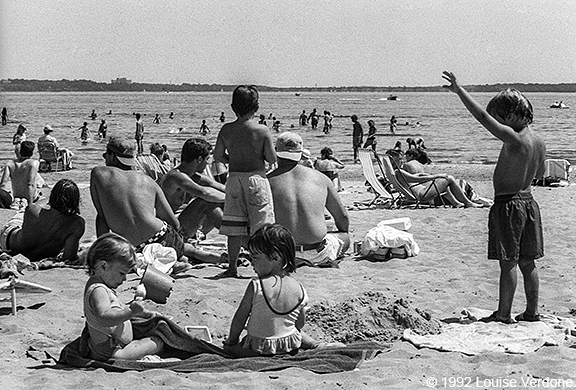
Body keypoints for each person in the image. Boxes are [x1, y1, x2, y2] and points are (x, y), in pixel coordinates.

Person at [442, 71, 545, 323]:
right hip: (530, 203)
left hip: (508, 205)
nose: (498, 125)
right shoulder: (539, 141)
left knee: (507, 262)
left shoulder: (513, 138)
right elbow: (540, 173)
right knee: (528, 262)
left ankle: (503, 314)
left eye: (501, 119)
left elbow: (481, 116)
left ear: (509, 116)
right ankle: (532, 312)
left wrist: (459, 91)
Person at [90, 137, 221, 274]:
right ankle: (195, 257)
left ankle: (176, 261)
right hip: (161, 235)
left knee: (140, 255)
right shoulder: (148, 181)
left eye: (106, 156)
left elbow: (102, 216)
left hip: (131, 245)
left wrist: (102, 250)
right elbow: (173, 222)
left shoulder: (98, 173)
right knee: (182, 249)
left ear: (111, 156)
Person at [223, 224, 319, 357]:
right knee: (295, 332)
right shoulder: (299, 288)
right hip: (289, 346)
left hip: (260, 348)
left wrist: (231, 342)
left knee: (235, 348)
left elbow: (240, 318)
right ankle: (314, 345)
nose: (251, 263)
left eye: (255, 258)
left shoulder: (256, 285)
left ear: (275, 256)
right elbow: (300, 323)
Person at [214, 85, 276, 278]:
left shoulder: (227, 129)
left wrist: (231, 159)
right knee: (261, 225)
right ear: (256, 108)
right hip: (256, 178)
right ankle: (264, 266)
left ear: (233, 107)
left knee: (234, 228)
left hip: (233, 179)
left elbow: (217, 155)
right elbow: (272, 158)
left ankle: (232, 267)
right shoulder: (261, 130)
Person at [268, 132, 350, 267]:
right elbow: (342, 217)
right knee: (344, 237)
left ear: (276, 152)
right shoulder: (321, 178)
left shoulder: (266, 180)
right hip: (316, 252)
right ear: (301, 153)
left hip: (279, 253)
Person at [83, 233, 163, 361]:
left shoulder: (101, 284)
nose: (125, 279)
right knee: (157, 342)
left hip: (116, 345)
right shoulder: (98, 290)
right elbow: (103, 318)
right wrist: (131, 312)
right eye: (121, 273)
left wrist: (143, 314)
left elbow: (115, 308)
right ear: (103, 266)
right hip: (112, 352)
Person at [0, 179, 85, 262]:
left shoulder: (33, 209)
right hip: (37, 253)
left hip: (8, 242)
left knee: (22, 213)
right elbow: (69, 257)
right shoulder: (77, 224)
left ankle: (24, 206)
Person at [161, 138, 225, 239]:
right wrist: (232, 197)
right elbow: (205, 193)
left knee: (222, 200)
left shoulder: (194, 177)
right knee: (205, 201)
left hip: (185, 225)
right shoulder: (175, 176)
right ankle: (239, 237)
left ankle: (240, 235)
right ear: (199, 159)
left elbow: (221, 188)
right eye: (208, 159)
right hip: (172, 229)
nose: (208, 163)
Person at [0, 141, 41, 209]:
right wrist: (30, 203)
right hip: (30, 197)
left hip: (16, 195)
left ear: (20, 151)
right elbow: (30, 184)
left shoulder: (10, 163)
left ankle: (18, 201)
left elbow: (3, 184)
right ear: (32, 152)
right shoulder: (33, 163)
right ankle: (24, 202)